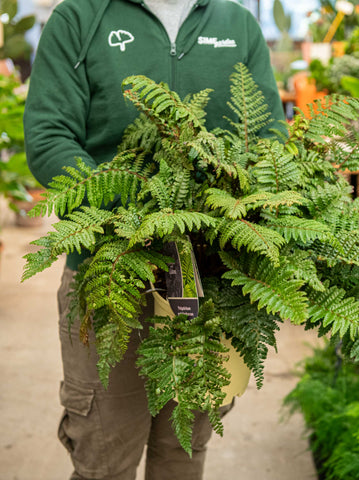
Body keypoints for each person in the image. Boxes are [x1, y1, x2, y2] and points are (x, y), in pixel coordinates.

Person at [23, 0, 285, 479]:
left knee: (184, 449)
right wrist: (135, 214)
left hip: (212, 284)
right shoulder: (79, 18)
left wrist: (240, 209)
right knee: (105, 453)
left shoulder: (236, 23)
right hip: (112, 277)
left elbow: (268, 137)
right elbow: (48, 137)